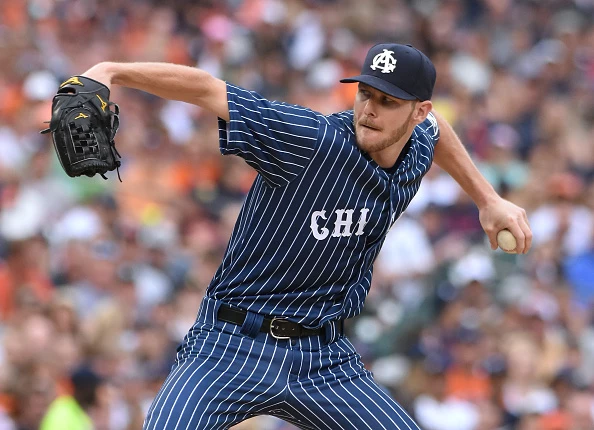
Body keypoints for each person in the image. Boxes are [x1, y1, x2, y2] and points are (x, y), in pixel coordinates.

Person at [79, 43, 532, 429]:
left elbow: (438, 133)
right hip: (231, 344)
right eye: (366, 94)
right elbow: (209, 89)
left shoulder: (417, 143)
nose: (370, 109)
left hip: (324, 358)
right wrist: (113, 71)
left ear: (419, 111)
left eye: (389, 102)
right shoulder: (311, 140)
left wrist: (487, 198)